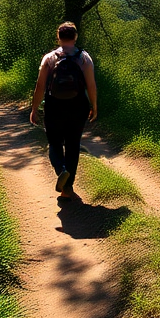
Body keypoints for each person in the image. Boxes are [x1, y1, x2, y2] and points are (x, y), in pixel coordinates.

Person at [29, 22, 98, 205]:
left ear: (58, 37)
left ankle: (61, 171)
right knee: (73, 145)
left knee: (54, 143)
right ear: (75, 37)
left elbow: (40, 86)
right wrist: (94, 105)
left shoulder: (50, 58)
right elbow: (91, 86)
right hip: (78, 106)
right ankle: (68, 189)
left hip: (54, 107)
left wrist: (35, 108)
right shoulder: (84, 58)